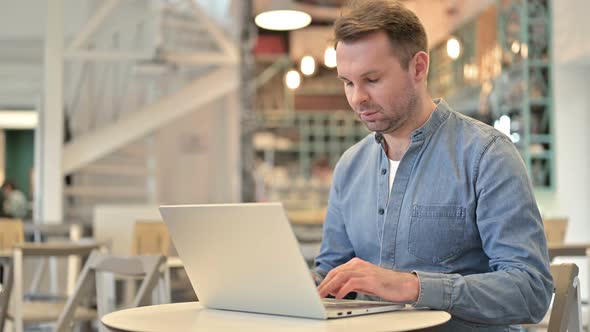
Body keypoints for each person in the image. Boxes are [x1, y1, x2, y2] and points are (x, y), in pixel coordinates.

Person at [312, 1, 552, 330]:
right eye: (349, 83)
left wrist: (411, 285)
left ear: (418, 68)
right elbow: (330, 276)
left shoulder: (487, 155)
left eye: (372, 79)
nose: (357, 98)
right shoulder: (350, 167)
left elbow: (531, 292)